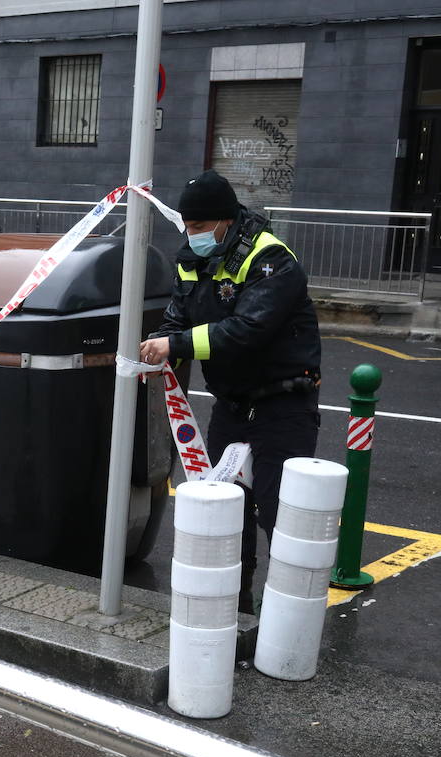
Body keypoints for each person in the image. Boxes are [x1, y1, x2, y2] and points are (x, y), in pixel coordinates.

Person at [141, 170, 321, 613]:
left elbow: (247, 330)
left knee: (280, 514)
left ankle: (287, 617)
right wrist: (165, 351)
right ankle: (236, 610)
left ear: (225, 221)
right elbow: (176, 319)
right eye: (187, 226)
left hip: (284, 403)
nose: (192, 235)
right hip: (234, 406)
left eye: (200, 227)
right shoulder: (193, 260)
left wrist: (177, 345)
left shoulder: (270, 259)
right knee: (227, 509)